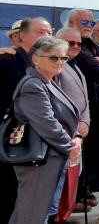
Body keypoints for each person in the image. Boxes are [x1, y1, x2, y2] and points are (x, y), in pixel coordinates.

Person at [10, 37, 81, 224]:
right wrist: (69, 146)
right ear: (35, 59)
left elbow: (66, 117)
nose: (59, 62)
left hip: (54, 157)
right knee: (31, 213)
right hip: (40, 161)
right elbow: (46, 123)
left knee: (45, 211)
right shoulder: (33, 85)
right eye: (53, 58)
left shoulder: (48, 81)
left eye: (63, 58)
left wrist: (77, 137)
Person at [0, 17, 52, 222]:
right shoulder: (7, 61)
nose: (47, 36)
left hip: (35, 144)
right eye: (40, 32)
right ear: (20, 36)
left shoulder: (43, 64)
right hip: (11, 144)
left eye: (49, 32)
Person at [67, 10, 99, 195]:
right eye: (85, 22)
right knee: (89, 148)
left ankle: (96, 180)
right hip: (88, 107)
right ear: (72, 22)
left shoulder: (92, 45)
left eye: (90, 22)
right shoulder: (80, 46)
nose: (88, 25)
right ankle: (84, 186)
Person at [51, 28, 91, 217]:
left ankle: (67, 207)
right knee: (60, 180)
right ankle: (56, 214)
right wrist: (74, 128)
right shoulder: (56, 66)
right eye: (70, 43)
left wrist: (85, 122)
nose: (75, 46)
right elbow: (56, 102)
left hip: (78, 131)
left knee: (73, 175)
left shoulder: (74, 64)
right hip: (65, 132)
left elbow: (85, 99)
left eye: (78, 43)